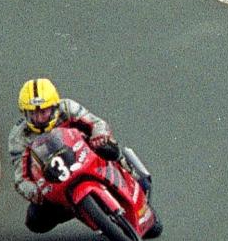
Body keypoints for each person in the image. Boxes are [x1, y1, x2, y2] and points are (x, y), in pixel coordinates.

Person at [14, 77, 151, 199]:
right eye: (33, 114)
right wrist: (35, 191)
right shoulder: (19, 136)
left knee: (107, 146)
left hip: (86, 153)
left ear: (53, 107)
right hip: (54, 181)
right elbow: (21, 179)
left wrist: (99, 136)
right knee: (35, 220)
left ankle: (130, 170)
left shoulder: (67, 107)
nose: (38, 118)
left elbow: (97, 123)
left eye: (43, 112)